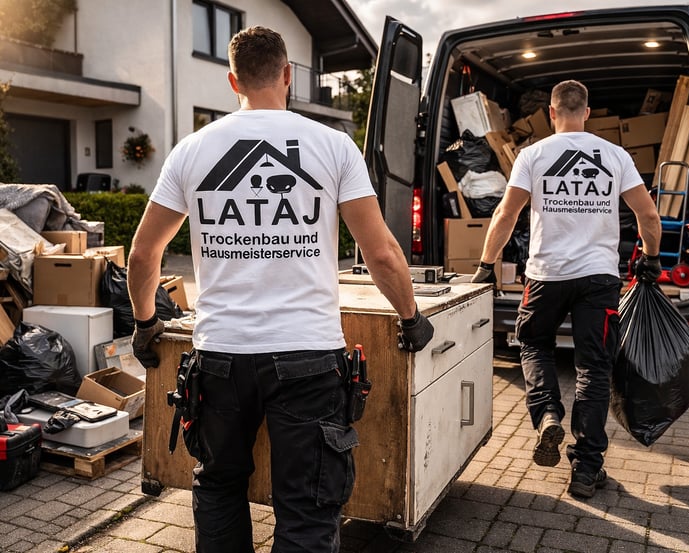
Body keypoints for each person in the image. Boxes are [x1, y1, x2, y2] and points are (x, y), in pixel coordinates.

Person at [127, 26, 434, 553]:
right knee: (308, 507)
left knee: (218, 486)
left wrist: (144, 323)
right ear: (288, 75)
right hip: (308, 358)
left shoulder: (192, 150)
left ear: (232, 82)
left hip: (220, 358)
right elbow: (381, 253)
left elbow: (142, 254)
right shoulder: (333, 147)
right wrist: (410, 317)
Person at [471, 80, 661, 499]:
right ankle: (586, 469)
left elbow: (506, 214)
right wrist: (650, 258)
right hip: (599, 279)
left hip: (546, 276)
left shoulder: (533, 155)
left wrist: (486, 265)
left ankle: (547, 416)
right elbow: (647, 214)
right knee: (594, 369)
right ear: (587, 113)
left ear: (552, 113)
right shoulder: (615, 156)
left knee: (533, 344)